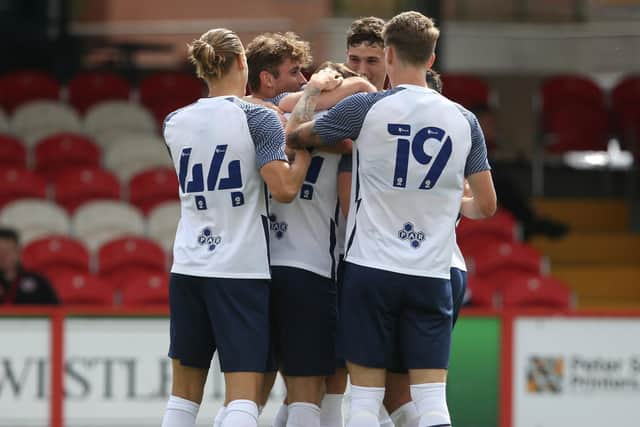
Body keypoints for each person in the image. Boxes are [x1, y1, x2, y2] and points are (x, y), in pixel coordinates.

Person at [286, 11, 496, 427]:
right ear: (432, 58)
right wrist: (453, 204)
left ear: (390, 54)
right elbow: (486, 205)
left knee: (364, 400)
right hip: (432, 272)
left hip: (371, 269)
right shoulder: (464, 119)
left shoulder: (367, 107)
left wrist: (312, 96)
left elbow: (296, 135)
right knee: (433, 402)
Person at [160, 27, 314, 427]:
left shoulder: (175, 121)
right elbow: (282, 189)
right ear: (244, 63)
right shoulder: (257, 117)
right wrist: (305, 157)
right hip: (238, 270)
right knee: (242, 399)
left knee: (182, 399)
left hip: (189, 266)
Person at [0, 227, 58, 305]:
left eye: (8, 251)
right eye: (0, 251)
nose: (3, 256)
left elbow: (56, 310)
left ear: (18, 253)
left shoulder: (38, 282)